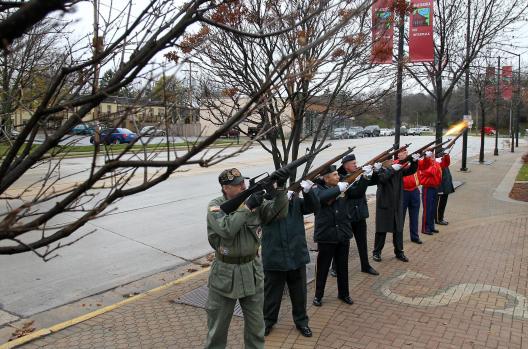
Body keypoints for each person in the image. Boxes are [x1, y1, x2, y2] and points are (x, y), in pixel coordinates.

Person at [205, 167, 289, 349]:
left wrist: (281, 188)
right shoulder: (215, 207)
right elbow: (227, 230)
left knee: (256, 327)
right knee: (217, 330)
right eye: (237, 184)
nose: (242, 186)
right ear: (225, 188)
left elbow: (278, 213)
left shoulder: (253, 202)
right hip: (225, 274)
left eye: (243, 182)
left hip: (252, 271)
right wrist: (247, 207)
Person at [261, 180, 319, 338]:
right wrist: (281, 199)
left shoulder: (294, 201)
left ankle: (302, 322)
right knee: (272, 295)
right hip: (275, 256)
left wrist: (308, 192)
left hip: (296, 254)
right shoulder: (264, 202)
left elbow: (313, 207)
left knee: (299, 294)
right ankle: (267, 322)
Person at [312, 164, 366, 307]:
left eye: (337, 174)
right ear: (326, 178)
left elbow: (358, 193)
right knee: (323, 267)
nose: (338, 176)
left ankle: (344, 293)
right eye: (335, 174)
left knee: (342, 267)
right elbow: (322, 198)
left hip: (342, 232)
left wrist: (365, 177)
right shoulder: (318, 189)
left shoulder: (342, 186)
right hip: (326, 234)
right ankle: (318, 295)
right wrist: (339, 188)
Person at [330, 154, 379, 276]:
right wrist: (364, 177)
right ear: (346, 166)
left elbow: (375, 180)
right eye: (353, 164)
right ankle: (335, 267)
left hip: (360, 214)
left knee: (362, 242)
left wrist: (375, 171)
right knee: (341, 243)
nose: (356, 165)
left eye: (356, 163)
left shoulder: (358, 174)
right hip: (347, 215)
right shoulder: (340, 179)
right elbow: (357, 192)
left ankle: (365, 265)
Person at [372, 151, 420, 263]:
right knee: (381, 230)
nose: (393, 161)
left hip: (396, 203)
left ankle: (399, 252)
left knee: (398, 229)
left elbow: (411, 171)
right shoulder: (380, 171)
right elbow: (383, 179)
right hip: (384, 205)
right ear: (384, 163)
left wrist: (414, 161)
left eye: (392, 160)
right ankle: (377, 252)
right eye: (389, 160)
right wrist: (392, 169)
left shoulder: (397, 169)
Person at [397, 150, 423, 244]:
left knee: (415, 215)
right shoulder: (397, 164)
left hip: (414, 191)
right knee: (401, 217)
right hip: (403, 192)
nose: (403, 154)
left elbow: (424, 165)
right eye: (401, 153)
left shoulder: (413, 162)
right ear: (398, 154)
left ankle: (415, 236)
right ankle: (398, 239)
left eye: (405, 152)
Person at [418, 151, 442, 235]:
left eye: (433, 153)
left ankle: (431, 226)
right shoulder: (425, 164)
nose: (433, 155)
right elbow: (431, 172)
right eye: (431, 154)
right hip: (427, 188)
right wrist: (432, 162)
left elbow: (439, 172)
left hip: (435, 187)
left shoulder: (435, 163)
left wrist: (445, 156)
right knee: (427, 209)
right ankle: (425, 228)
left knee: (433, 208)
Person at [435, 151, 454, 225]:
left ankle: (440, 218)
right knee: (437, 203)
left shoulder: (444, 162)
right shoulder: (438, 163)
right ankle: (437, 219)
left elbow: (447, 162)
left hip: (445, 185)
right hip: (440, 186)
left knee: (443, 203)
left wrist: (446, 155)